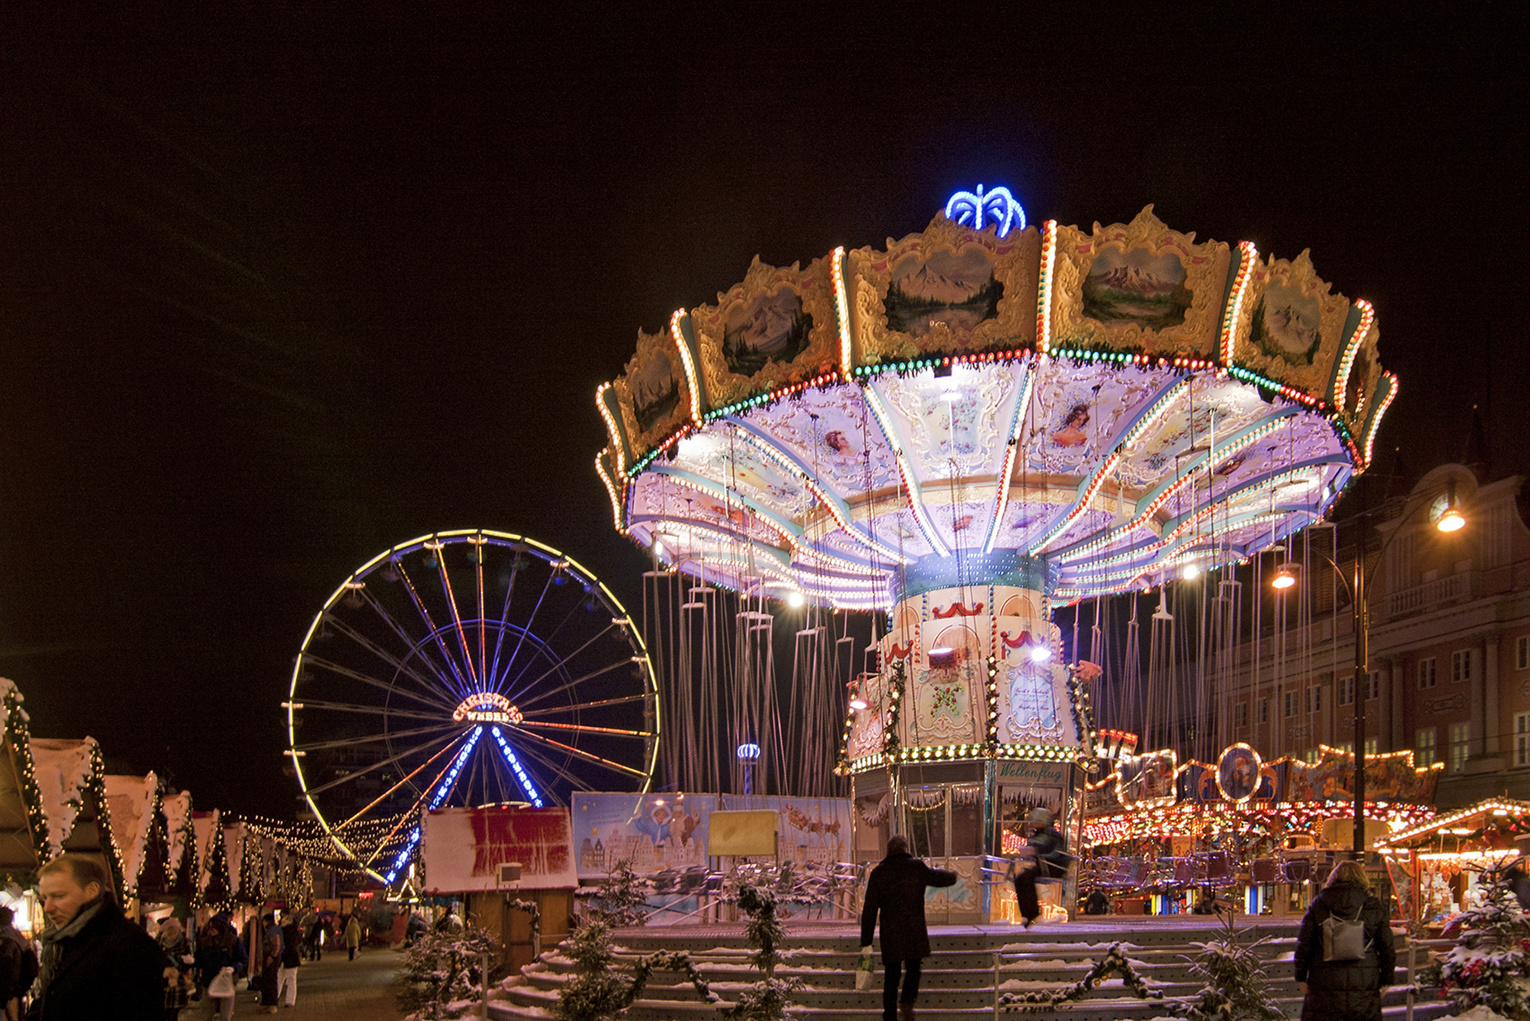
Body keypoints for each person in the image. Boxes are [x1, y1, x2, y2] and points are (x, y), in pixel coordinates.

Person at [27, 853, 166, 1020]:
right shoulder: (62, 942)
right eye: (45, 898)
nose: (48, 908)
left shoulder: (129, 944)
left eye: (58, 896)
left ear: (91, 891)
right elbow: (48, 1002)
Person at [859, 835, 956, 1021]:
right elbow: (937, 877)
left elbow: (869, 909)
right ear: (905, 849)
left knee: (891, 977)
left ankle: (889, 1016)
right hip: (914, 930)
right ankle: (907, 1001)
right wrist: (952, 876)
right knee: (913, 968)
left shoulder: (879, 873)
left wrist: (866, 941)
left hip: (891, 933)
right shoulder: (916, 867)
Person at [1294, 859, 1396, 1021]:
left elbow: (1305, 943)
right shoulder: (1372, 906)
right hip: (1363, 981)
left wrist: (1300, 975)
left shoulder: (1319, 904)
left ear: (1333, 877)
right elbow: (1387, 946)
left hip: (1324, 980)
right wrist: (1387, 978)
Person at [1010, 809, 1069, 927]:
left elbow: (1049, 849)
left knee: (1026, 878)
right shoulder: (1039, 834)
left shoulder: (1051, 835)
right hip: (1043, 866)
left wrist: (1034, 851)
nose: (1032, 824)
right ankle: (1027, 914)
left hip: (1053, 867)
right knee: (1021, 879)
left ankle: (1031, 913)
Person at [194, 913, 246, 1021]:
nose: (212, 931)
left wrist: (234, 968)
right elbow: (199, 961)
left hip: (227, 982)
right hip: (209, 981)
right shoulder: (204, 942)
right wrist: (192, 961)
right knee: (207, 1014)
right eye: (210, 928)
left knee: (225, 1015)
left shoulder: (232, 941)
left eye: (215, 928)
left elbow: (243, 959)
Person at [0, 904, 38, 1021]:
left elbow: (6, 972)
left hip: (6, 997)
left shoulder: (6, 942)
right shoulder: (18, 938)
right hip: (12, 995)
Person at [257, 915, 281, 1014]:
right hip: (268, 956)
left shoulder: (273, 930)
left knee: (271, 980)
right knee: (266, 980)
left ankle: (272, 1004)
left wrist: (272, 956)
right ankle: (267, 1003)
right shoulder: (269, 930)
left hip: (271, 957)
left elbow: (277, 945)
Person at [277, 915, 301, 1008]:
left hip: (290, 958)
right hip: (285, 958)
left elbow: (291, 946)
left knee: (290, 979)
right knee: (280, 978)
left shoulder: (291, 933)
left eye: (283, 922)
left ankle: (290, 1001)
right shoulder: (284, 932)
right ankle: (275, 998)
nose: (281, 923)